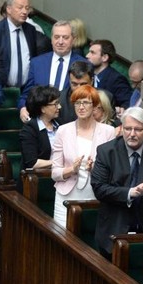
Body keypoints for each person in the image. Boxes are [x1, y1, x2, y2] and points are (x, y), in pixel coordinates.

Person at [90, 107, 143, 258]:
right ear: (122, 128)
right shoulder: (106, 151)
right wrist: (130, 193)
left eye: (138, 129)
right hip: (113, 228)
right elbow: (99, 188)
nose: (132, 134)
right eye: (128, 129)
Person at [50, 85, 118, 229]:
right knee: (61, 238)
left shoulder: (108, 132)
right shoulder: (63, 131)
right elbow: (55, 173)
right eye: (77, 103)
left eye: (85, 103)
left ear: (94, 106)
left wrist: (95, 169)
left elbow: (113, 172)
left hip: (95, 195)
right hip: (66, 195)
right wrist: (71, 169)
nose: (81, 107)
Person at [20, 21, 87, 109]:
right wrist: (23, 108)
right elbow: (26, 95)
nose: (60, 42)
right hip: (41, 117)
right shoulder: (37, 63)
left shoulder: (84, 64)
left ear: (73, 40)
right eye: (56, 37)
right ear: (51, 39)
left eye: (65, 38)